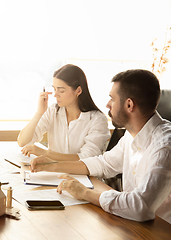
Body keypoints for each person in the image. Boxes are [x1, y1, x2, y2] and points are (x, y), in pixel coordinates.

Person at [30, 69, 171, 223]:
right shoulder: (131, 136)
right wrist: (53, 166)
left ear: (129, 104)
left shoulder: (164, 147)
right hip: (134, 223)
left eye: (112, 99)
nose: (107, 104)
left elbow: (140, 206)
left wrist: (84, 193)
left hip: (160, 230)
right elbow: (104, 164)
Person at [17, 64, 110, 161]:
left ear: (78, 90)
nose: (56, 95)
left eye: (61, 90)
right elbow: (22, 142)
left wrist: (45, 153)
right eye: (54, 89)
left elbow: (87, 158)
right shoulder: (53, 111)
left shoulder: (97, 120)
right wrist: (39, 113)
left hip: (80, 175)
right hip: (54, 173)